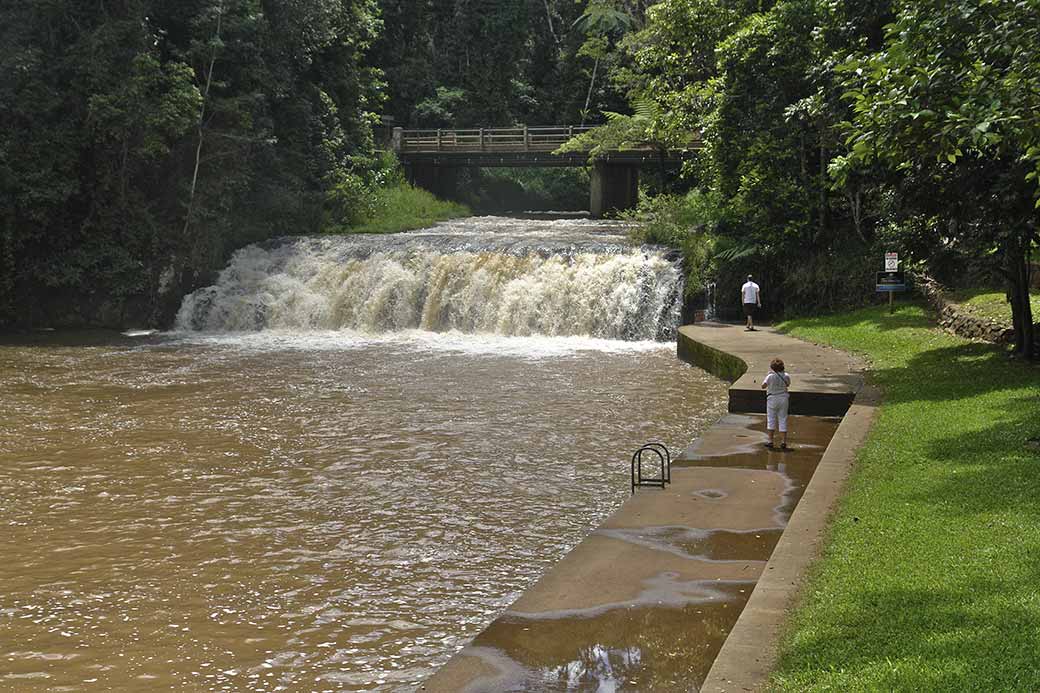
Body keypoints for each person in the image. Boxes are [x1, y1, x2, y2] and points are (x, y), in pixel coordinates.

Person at [760, 357, 791, 449]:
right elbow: (788, 384)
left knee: (771, 419)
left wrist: (768, 377)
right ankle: (783, 442)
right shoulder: (786, 375)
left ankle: (770, 441)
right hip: (783, 398)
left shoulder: (770, 376)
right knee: (783, 419)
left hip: (772, 398)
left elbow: (763, 386)